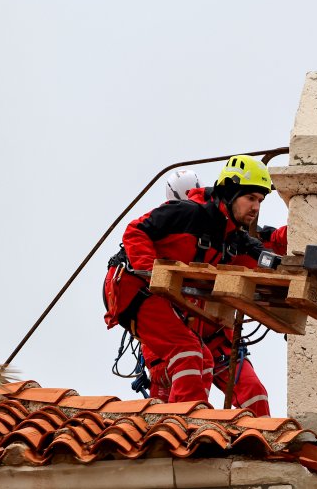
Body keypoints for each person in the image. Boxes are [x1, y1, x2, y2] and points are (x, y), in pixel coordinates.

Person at [103, 155, 277, 407]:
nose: (256, 207)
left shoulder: (230, 236)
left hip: (160, 296)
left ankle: (192, 428)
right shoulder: (187, 213)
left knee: (204, 360)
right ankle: (181, 432)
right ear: (229, 193)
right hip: (133, 287)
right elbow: (135, 230)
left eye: (260, 200)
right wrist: (153, 273)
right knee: (189, 354)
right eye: (250, 198)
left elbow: (263, 249)